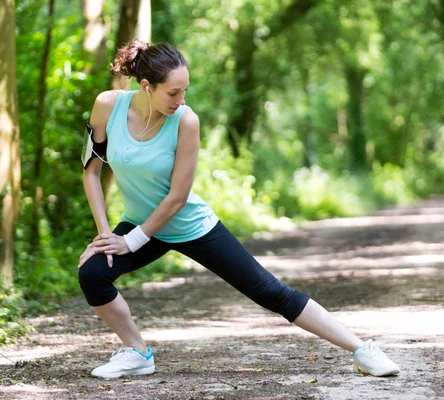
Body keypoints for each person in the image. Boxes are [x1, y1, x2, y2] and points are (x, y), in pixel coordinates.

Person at [78, 40, 401, 379]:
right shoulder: (107, 107)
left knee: (270, 292)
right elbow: (92, 171)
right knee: (93, 273)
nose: (182, 100)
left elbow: (177, 197)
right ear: (147, 87)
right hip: (140, 224)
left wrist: (130, 242)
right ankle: (138, 352)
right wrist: (104, 234)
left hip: (189, 225)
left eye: (185, 90)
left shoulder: (186, 121)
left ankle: (362, 349)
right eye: (173, 93)